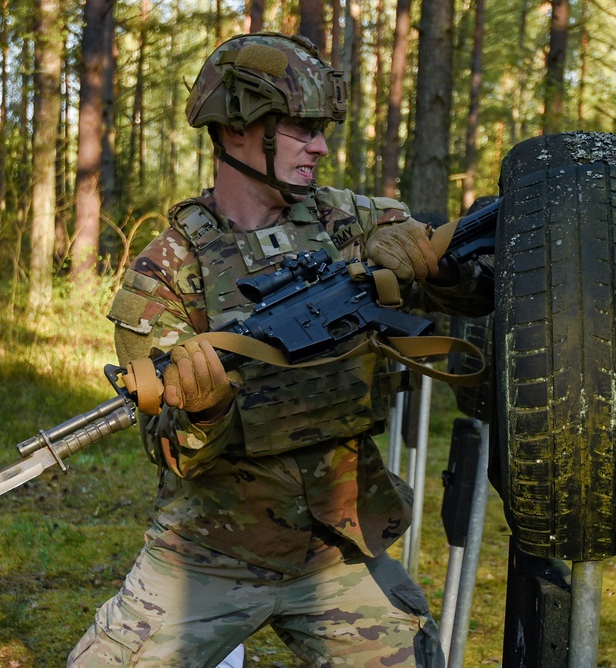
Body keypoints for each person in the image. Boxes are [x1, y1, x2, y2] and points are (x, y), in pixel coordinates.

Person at [69, 32, 491, 667]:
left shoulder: (354, 221)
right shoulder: (164, 276)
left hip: (338, 551)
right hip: (207, 561)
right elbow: (164, 444)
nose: (321, 145)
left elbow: (477, 296)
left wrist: (437, 268)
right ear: (237, 131)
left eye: (321, 128)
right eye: (300, 128)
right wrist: (204, 413)